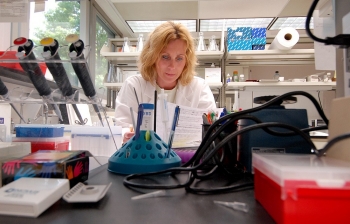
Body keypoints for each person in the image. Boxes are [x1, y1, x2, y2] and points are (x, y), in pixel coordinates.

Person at [114, 21, 216, 143]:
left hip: (187, 159)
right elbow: (122, 127)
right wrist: (125, 134)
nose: (172, 66)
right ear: (152, 56)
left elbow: (210, 131)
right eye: (165, 57)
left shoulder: (200, 88)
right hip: (144, 158)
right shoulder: (134, 86)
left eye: (179, 58)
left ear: (187, 61)